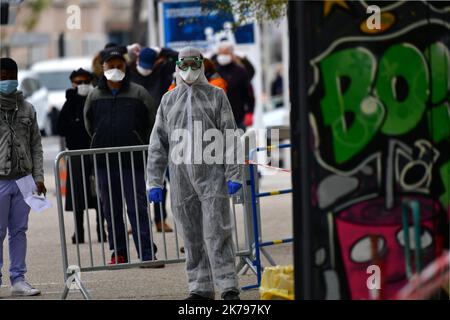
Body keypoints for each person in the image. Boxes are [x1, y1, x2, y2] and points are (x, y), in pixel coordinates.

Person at [146, 47, 243, 300]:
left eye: (194, 63)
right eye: (184, 64)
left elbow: (230, 136)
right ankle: (200, 288)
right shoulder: (168, 100)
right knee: (191, 236)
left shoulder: (216, 96)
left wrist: (234, 173)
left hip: (212, 176)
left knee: (218, 233)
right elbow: (158, 144)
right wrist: (154, 180)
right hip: (180, 179)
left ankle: (228, 285)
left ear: (201, 64)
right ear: (177, 66)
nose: (189, 69)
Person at [84, 46, 163, 268]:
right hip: (104, 162)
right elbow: (90, 125)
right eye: (111, 65)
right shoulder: (94, 95)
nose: (115, 69)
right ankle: (118, 252)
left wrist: (138, 141)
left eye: (120, 65)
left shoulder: (139, 93)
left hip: (133, 161)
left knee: (137, 207)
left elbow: (151, 122)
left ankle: (147, 253)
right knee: (111, 209)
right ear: (103, 67)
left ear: (125, 67)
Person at [0, 57, 46, 296]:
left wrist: (39, 177)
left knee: (19, 230)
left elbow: (36, 145)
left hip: (23, 180)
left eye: (10, 75)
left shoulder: (27, 108)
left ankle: (18, 279)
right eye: (1, 76)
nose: (6, 80)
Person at [129, 46, 178, 233]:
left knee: (161, 180)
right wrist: (128, 49)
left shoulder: (161, 69)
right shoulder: (130, 71)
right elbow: (106, 57)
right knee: (137, 182)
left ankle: (160, 219)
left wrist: (161, 50)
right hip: (138, 133)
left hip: (161, 131)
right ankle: (138, 221)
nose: (146, 69)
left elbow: (178, 57)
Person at [56, 68, 106, 245]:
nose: (82, 85)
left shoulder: (96, 99)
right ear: (72, 83)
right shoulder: (69, 102)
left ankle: (102, 229)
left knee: (99, 194)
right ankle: (79, 231)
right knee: (78, 196)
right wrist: (72, 101)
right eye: (78, 82)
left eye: (85, 81)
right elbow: (60, 128)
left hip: (95, 153)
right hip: (76, 154)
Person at [213, 42, 255, 130]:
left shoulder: (241, 71)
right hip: (217, 120)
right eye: (221, 53)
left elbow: (249, 94)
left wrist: (250, 112)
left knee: (238, 143)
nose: (223, 56)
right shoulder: (213, 71)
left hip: (237, 118)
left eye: (225, 53)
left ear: (232, 54)